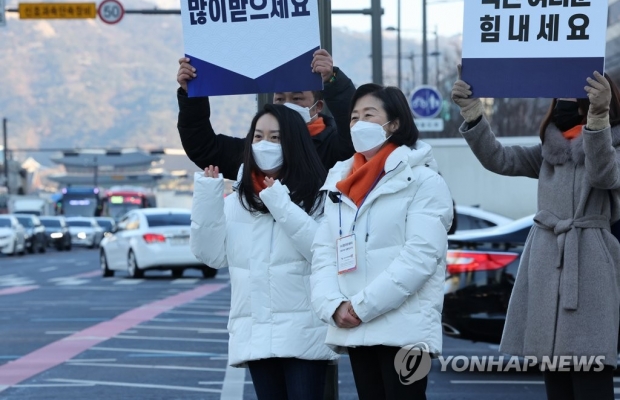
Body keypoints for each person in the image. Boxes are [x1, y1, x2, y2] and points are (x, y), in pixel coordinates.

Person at [451, 67, 620, 400]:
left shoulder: (612, 146)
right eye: (563, 95)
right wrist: (473, 113)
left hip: (591, 267)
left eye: (579, 94)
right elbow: (498, 158)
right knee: (555, 379)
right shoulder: (549, 152)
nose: (568, 101)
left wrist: (598, 119)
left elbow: (603, 175)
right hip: (546, 267)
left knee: (590, 378)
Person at [310, 83, 454, 400]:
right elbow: (323, 254)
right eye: (354, 117)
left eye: (369, 115)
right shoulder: (339, 182)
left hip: (404, 331)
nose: (359, 123)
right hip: (357, 327)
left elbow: (420, 257)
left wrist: (360, 307)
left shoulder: (423, 180)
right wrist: (333, 306)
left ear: (395, 123)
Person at [191, 104, 337, 400]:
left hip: (304, 336)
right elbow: (212, 256)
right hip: (256, 334)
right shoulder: (238, 202)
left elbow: (322, 252)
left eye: (275, 137)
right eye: (257, 137)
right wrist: (208, 198)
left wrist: (280, 203)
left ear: (293, 142)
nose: (264, 145)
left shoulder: (319, 195)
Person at [176, 49, 356, 179]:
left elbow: (352, 128)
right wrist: (192, 94)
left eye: (297, 99)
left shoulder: (333, 148)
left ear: (318, 106)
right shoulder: (254, 149)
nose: (287, 106)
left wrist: (332, 80)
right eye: (280, 99)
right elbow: (203, 148)